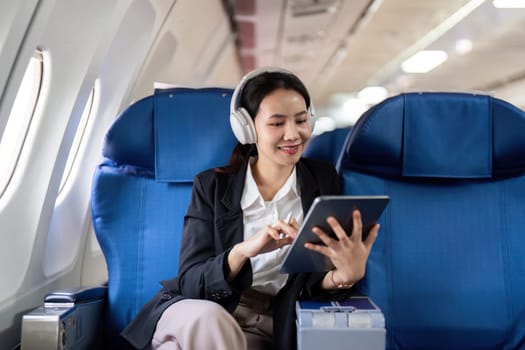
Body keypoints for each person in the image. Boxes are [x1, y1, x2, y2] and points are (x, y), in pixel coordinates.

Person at [121, 67, 380, 350]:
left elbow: (311, 280)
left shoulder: (323, 179)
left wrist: (343, 276)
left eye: (301, 120)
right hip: (199, 311)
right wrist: (245, 250)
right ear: (247, 127)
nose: (293, 134)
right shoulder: (212, 186)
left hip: (269, 321)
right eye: (277, 123)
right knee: (210, 320)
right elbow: (191, 282)